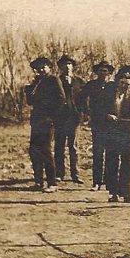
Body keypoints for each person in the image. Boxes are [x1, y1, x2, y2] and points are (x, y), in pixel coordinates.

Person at [103, 66, 130, 204]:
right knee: (112, 161)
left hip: (127, 132)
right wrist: (107, 115)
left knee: (128, 163)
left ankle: (126, 193)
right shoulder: (108, 94)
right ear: (117, 82)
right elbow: (97, 109)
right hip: (111, 132)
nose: (124, 87)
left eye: (127, 84)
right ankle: (112, 193)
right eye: (122, 83)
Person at [24, 57, 66, 192]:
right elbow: (30, 102)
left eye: (43, 67)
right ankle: (38, 181)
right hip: (36, 120)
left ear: (49, 67)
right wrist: (29, 90)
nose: (41, 70)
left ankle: (52, 183)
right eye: (38, 68)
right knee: (34, 150)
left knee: (46, 151)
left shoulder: (54, 80)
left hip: (47, 120)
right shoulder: (37, 82)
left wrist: (52, 115)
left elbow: (61, 98)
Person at [78, 60, 115, 191]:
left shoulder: (113, 86)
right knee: (98, 153)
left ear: (109, 73)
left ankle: (109, 182)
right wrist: (87, 112)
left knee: (110, 154)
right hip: (98, 123)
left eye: (105, 71)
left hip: (111, 124)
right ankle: (96, 182)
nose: (103, 73)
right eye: (100, 71)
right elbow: (80, 98)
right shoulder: (91, 85)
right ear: (97, 72)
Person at [54, 55, 86, 184]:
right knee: (59, 146)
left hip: (74, 118)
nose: (67, 67)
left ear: (73, 66)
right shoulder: (56, 81)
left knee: (73, 146)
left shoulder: (79, 82)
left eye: (69, 64)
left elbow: (84, 100)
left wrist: (83, 113)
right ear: (60, 67)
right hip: (60, 118)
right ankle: (59, 173)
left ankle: (75, 174)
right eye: (64, 64)